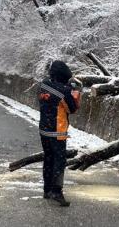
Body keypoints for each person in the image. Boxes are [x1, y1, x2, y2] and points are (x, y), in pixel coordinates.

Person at [38, 60, 81, 207]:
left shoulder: (43, 84)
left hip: (44, 129)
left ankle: (47, 189)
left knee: (48, 158)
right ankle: (57, 191)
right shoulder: (64, 91)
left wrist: (66, 88)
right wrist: (75, 92)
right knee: (59, 160)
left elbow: (53, 91)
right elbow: (73, 109)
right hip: (57, 131)